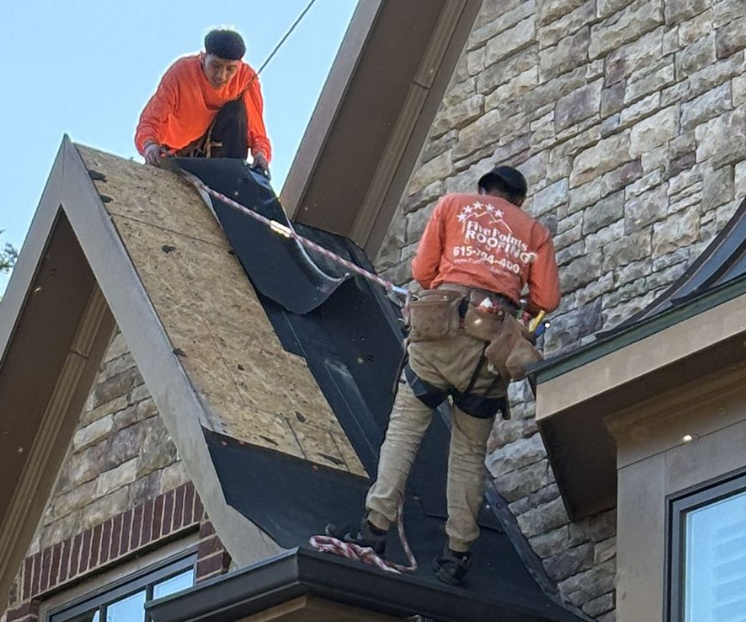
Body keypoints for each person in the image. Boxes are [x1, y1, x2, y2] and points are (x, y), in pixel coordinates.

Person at [326, 166, 561, 587]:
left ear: (485, 189)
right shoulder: (534, 232)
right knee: (469, 454)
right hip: (491, 351)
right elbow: (547, 299)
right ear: (519, 200)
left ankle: (374, 530)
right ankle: (457, 553)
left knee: (403, 432)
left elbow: (422, 272)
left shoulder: (454, 205)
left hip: (439, 335)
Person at [135, 27, 272, 175]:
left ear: (239, 65)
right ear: (204, 57)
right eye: (216, 66)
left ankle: (233, 176)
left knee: (236, 111)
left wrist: (260, 155)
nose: (221, 76)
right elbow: (151, 120)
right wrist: (150, 146)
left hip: (213, 148)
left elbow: (256, 128)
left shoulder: (247, 78)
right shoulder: (181, 73)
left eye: (230, 69)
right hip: (176, 153)